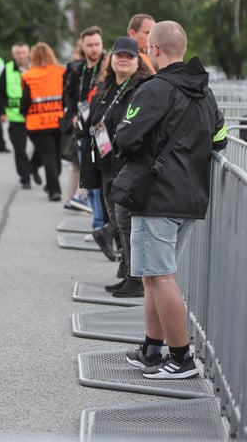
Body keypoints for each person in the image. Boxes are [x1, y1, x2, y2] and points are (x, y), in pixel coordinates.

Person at [116, 21, 226, 379]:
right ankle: (152, 349)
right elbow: (220, 138)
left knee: (160, 277)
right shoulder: (205, 92)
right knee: (155, 274)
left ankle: (180, 358)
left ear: (155, 50)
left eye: (147, 48)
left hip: (156, 195)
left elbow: (125, 137)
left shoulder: (154, 89)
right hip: (189, 196)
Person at [85, 38, 155, 298]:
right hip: (106, 164)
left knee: (125, 221)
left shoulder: (141, 87)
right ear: (111, 59)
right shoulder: (106, 87)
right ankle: (127, 269)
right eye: (119, 55)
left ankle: (135, 277)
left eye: (129, 56)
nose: (123, 60)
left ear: (138, 61)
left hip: (128, 165)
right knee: (116, 219)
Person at [63, 26, 106, 216]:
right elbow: (68, 94)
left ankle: (103, 222)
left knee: (102, 179)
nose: (94, 49)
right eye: (90, 45)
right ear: (83, 47)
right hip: (82, 128)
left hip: (101, 128)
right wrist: (73, 113)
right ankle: (97, 223)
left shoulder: (107, 66)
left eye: (97, 44)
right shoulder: (77, 69)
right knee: (88, 178)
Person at [20, 42, 65, 201]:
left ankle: (37, 170)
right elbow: (66, 96)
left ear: (32, 57)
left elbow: (25, 101)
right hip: (57, 121)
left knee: (49, 155)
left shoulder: (28, 75)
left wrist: (23, 113)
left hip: (36, 123)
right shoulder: (61, 72)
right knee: (54, 156)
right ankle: (54, 189)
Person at [0, 42, 42, 188]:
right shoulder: (8, 68)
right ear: (13, 55)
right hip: (15, 116)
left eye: (23, 53)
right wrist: (1, 112)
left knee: (42, 147)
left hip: (35, 115)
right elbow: (0, 92)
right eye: (18, 53)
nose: (21, 56)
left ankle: (34, 166)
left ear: (28, 53)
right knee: (20, 149)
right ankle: (25, 177)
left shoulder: (36, 66)